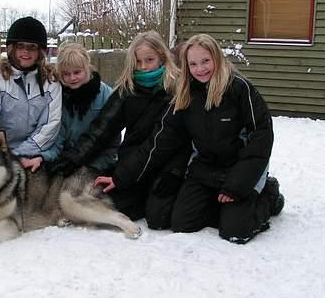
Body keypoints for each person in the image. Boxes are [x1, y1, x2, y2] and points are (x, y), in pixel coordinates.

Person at [113, 33, 285, 244]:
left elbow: (262, 136)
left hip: (239, 168)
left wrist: (238, 185)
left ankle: (268, 196)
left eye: (206, 61)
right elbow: (160, 140)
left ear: (217, 58)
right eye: (193, 64)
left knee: (235, 231)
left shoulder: (240, 89)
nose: (200, 69)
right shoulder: (186, 94)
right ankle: (227, 209)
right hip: (205, 169)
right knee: (182, 223)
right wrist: (121, 176)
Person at [55, 30, 191, 228]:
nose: (143, 67)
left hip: (166, 164)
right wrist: (74, 158)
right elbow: (103, 128)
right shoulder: (127, 89)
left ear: (161, 58)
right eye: (138, 61)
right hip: (134, 164)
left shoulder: (176, 89)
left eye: (149, 60)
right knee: (116, 205)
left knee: (158, 218)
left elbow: (161, 143)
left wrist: (175, 171)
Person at [0, 16, 61, 172]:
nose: (25, 52)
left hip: (34, 153)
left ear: (40, 51)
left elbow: (50, 124)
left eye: (32, 47)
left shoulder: (50, 83)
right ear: (12, 49)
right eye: (20, 46)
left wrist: (23, 152)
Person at [41, 42, 119, 173]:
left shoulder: (106, 96)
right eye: (66, 74)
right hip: (65, 160)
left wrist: (92, 167)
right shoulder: (57, 95)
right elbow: (55, 136)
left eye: (77, 72)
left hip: (98, 162)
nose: (72, 78)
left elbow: (112, 141)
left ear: (87, 68)